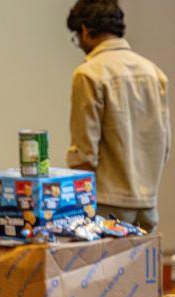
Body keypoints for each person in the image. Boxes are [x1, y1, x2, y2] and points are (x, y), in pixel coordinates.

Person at [66, 0, 170, 232]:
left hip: (106, 206)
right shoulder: (155, 74)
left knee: (104, 269)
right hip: (148, 206)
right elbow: (164, 146)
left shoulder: (89, 74)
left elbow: (85, 154)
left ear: (84, 30)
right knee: (141, 269)